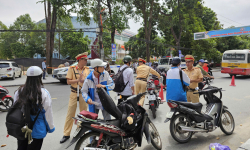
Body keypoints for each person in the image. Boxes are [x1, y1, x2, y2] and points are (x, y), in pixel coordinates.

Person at [14, 66, 55, 150]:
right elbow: (48, 114)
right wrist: (51, 127)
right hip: (37, 130)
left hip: (22, 129)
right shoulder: (44, 93)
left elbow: (16, 110)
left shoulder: (19, 91)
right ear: (40, 77)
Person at [60, 52, 89, 144]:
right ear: (80, 60)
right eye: (85, 60)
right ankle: (66, 134)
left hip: (83, 94)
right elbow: (68, 81)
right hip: (74, 93)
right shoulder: (72, 69)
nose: (86, 61)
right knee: (70, 114)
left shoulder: (87, 69)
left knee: (83, 114)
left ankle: (80, 132)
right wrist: (78, 80)